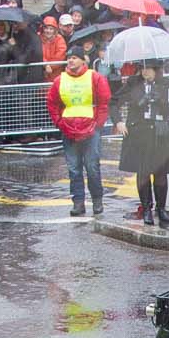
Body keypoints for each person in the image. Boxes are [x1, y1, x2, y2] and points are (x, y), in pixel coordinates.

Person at [47, 50, 112, 218]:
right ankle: (78, 202)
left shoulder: (95, 78)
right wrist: (60, 123)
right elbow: (52, 103)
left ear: (84, 61)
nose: (70, 61)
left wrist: (97, 125)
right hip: (69, 130)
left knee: (92, 167)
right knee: (74, 169)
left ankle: (97, 200)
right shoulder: (59, 80)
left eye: (74, 57)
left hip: (91, 131)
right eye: (69, 58)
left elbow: (104, 102)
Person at [117, 61, 169, 227]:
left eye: (149, 69)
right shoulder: (133, 83)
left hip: (160, 132)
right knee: (143, 172)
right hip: (139, 133)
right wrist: (118, 122)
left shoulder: (166, 84)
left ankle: (161, 208)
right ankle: (146, 208)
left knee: (160, 172)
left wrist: (161, 102)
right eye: (143, 68)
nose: (145, 72)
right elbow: (114, 102)